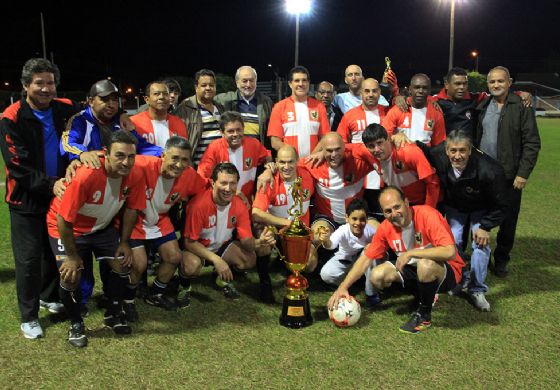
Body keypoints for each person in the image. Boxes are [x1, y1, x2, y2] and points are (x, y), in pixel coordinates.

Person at [61, 79, 162, 311]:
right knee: (79, 256)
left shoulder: (120, 122)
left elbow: (141, 147)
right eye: (104, 99)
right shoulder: (80, 120)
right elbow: (67, 143)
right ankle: (80, 302)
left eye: (114, 99)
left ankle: (111, 298)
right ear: (90, 101)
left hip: (112, 197)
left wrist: (163, 154)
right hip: (83, 191)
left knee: (112, 254)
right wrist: (81, 155)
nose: (111, 104)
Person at [46, 130, 146, 347]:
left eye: (131, 156)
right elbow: (64, 218)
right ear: (105, 154)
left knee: (122, 265)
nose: (126, 162)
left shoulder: (135, 174)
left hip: (101, 228)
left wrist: (123, 242)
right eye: (119, 155)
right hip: (66, 228)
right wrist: (71, 256)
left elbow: (131, 210)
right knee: (70, 275)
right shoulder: (86, 175)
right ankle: (76, 323)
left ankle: (113, 312)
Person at [0, 58, 74, 339]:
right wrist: (53, 184)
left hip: (58, 197)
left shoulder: (65, 108)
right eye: (39, 83)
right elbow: (18, 167)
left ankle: (49, 296)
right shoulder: (11, 117)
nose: (46, 88)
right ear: (25, 85)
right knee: (29, 259)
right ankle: (28, 316)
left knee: (55, 251)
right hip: (25, 200)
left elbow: (94, 116)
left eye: (50, 82)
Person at [328, 186, 465, 334]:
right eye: (388, 211)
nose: (394, 213)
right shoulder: (386, 228)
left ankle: (424, 316)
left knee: (426, 264)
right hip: (414, 269)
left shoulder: (427, 215)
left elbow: (450, 252)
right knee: (377, 275)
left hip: (447, 270)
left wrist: (411, 253)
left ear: (406, 202)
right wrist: (343, 287)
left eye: (397, 207)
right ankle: (424, 295)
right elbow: (366, 259)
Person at [124, 136, 208, 315]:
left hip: (160, 220)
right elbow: (115, 159)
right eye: (175, 158)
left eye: (184, 160)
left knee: (174, 256)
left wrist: (236, 193)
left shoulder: (189, 175)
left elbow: (208, 188)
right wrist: (85, 159)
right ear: (163, 156)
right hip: (134, 220)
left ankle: (155, 293)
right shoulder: (141, 164)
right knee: (139, 264)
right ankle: (127, 299)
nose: (179, 165)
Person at [430, 130, 507, 310]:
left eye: (463, 150)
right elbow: (422, 151)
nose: (458, 156)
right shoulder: (437, 155)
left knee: (480, 243)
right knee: (452, 241)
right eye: (453, 151)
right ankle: (457, 278)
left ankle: (477, 288)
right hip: (456, 207)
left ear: (471, 150)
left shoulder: (490, 170)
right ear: (446, 150)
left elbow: (502, 204)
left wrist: (486, 226)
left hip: (481, 208)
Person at [476, 66, 541, 277]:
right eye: (492, 82)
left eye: (500, 81)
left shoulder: (522, 106)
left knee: (508, 221)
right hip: (484, 175)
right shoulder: (483, 105)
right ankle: (481, 258)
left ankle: (501, 259)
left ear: (509, 82)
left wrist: (523, 173)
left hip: (510, 176)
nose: (496, 85)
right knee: (482, 218)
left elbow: (532, 143)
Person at [183, 163, 276, 299]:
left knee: (249, 259)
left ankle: (220, 277)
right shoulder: (198, 205)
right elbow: (189, 242)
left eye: (232, 183)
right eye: (223, 183)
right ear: (212, 183)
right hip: (197, 248)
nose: (228, 188)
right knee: (191, 266)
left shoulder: (239, 205)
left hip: (221, 247)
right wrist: (216, 260)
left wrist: (260, 242)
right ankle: (183, 283)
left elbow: (247, 243)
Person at [252, 145, 315, 302]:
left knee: (311, 263)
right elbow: (256, 213)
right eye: (282, 162)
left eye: (290, 162)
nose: (286, 167)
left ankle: (295, 277)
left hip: (298, 233)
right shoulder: (269, 181)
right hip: (276, 228)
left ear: (298, 161)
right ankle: (265, 284)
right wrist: (288, 222)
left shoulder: (307, 175)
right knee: (264, 237)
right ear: (275, 162)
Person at [197, 111, 271, 206]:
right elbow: (202, 178)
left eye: (239, 130)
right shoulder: (214, 148)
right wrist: (231, 192)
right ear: (222, 133)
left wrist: (267, 171)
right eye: (230, 131)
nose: (235, 134)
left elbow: (267, 157)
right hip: (220, 203)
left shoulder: (254, 144)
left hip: (245, 204)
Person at [360, 124, 440, 208]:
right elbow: (349, 148)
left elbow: (433, 183)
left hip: (424, 202)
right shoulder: (367, 153)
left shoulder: (410, 152)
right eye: (371, 146)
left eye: (379, 143)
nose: (376, 149)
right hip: (400, 204)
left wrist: (428, 210)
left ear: (388, 139)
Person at [318, 199, 379, 305]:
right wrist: (326, 240)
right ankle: (352, 284)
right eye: (354, 219)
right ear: (347, 218)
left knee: (371, 253)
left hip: (363, 261)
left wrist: (373, 245)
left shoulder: (371, 231)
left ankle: (371, 294)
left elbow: (382, 248)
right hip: (346, 259)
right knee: (326, 274)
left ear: (367, 219)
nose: (358, 223)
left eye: (362, 219)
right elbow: (330, 246)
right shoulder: (343, 230)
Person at [267, 66, 330, 158]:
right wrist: (293, 158)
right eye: (297, 80)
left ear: (308, 83)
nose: (301, 84)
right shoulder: (279, 107)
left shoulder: (319, 107)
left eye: (304, 80)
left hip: (313, 165)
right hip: (290, 166)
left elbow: (324, 138)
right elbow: (275, 142)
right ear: (290, 84)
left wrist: (310, 158)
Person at [175, 69, 224, 167]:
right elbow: (178, 140)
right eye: (204, 85)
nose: (208, 88)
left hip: (220, 167)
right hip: (197, 166)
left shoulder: (220, 107)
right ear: (196, 87)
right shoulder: (185, 109)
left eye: (211, 85)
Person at [215, 66, 273, 148]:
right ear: (237, 82)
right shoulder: (224, 100)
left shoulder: (266, 102)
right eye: (244, 81)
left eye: (251, 81)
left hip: (258, 153)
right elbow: (204, 99)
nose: (248, 85)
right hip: (232, 152)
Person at [382, 73, 446, 147]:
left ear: (429, 91)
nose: (420, 91)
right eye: (417, 87)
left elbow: (439, 144)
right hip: (400, 155)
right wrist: (394, 137)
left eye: (424, 88)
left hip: (425, 156)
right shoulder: (398, 109)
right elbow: (383, 136)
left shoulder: (436, 113)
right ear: (410, 89)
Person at [131, 80, 187, 147]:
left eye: (165, 94)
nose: (162, 97)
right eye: (156, 94)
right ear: (146, 99)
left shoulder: (179, 123)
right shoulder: (133, 122)